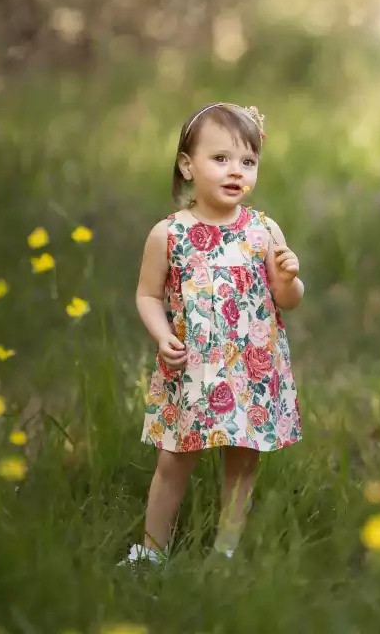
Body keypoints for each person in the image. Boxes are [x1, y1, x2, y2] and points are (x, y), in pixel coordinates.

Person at [118, 102, 304, 567]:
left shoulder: (263, 231)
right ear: (187, 165)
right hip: (193, 367)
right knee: (174, 460)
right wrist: (163, 337)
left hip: (251, 367)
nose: (235, 171)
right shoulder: (169, 234)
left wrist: (289, 278)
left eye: (248, 161)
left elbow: (288, 300)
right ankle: (152, 550)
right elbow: (146, 296)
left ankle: (225, 551)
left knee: (243, 461)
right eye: (220, 159)